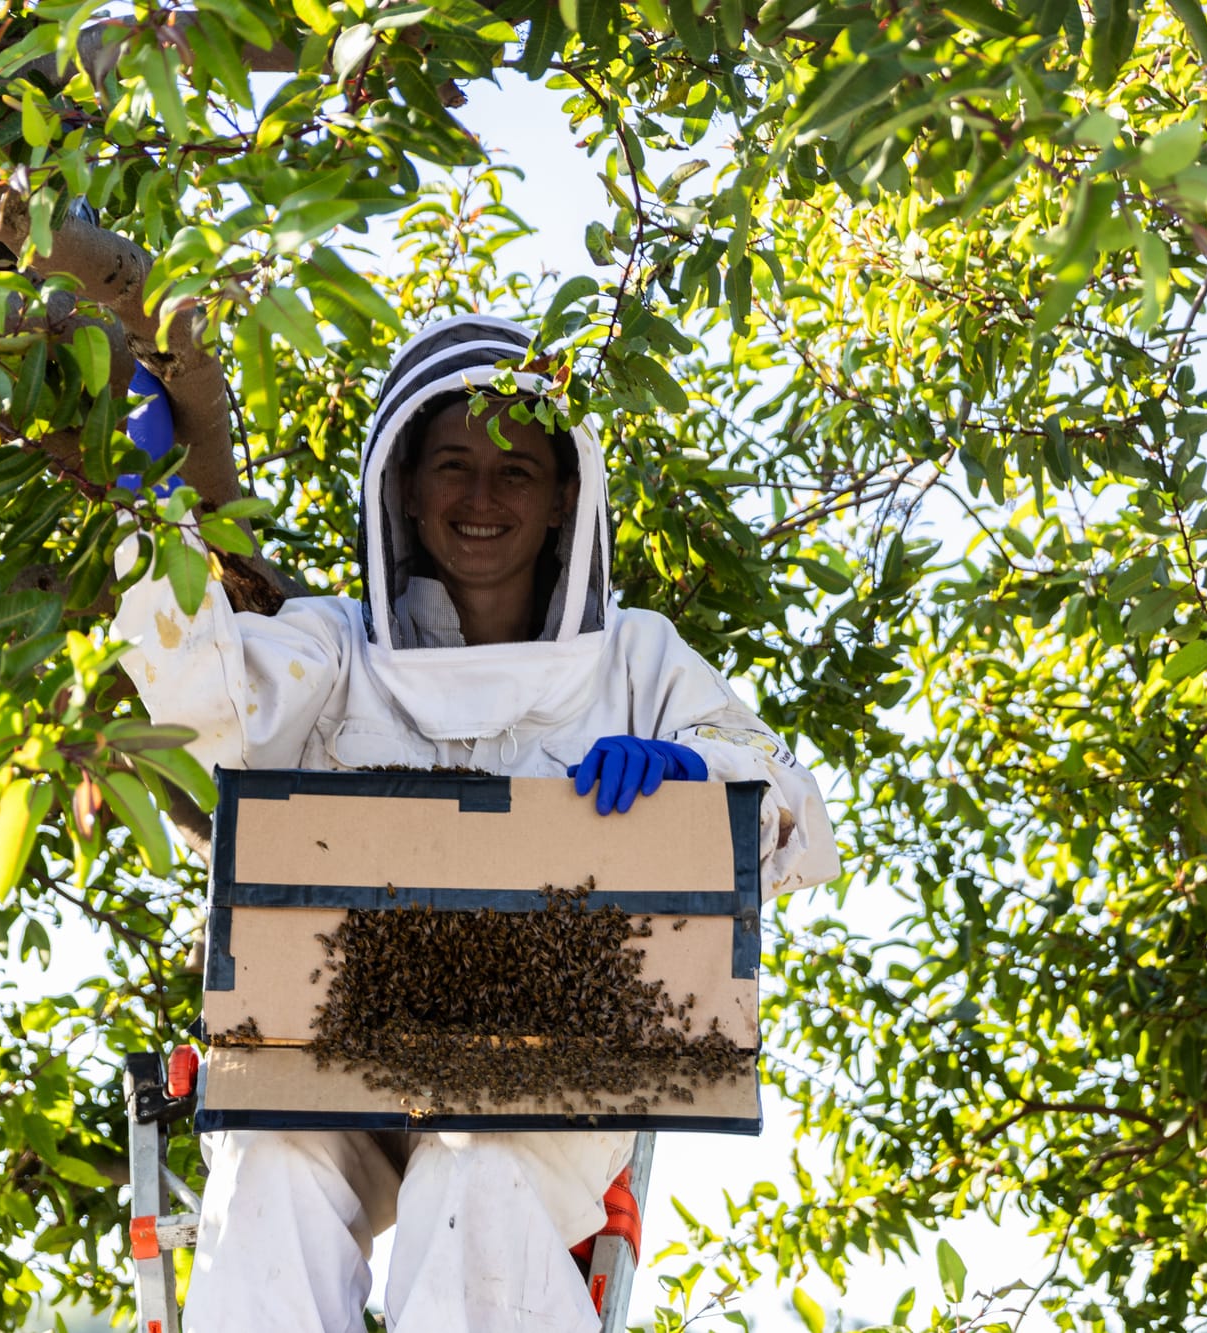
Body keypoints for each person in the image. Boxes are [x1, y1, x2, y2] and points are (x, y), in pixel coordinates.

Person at [111, 313, 839, 1333]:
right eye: (452, 465)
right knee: (268, 1160)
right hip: (330, 1061)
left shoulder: (636, 659)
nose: (481, 498)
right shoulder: (334, 643)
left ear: (560, 502)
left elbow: (792, 811)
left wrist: (694, 774)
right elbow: (208, 720)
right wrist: (152, 528)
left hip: (545, 1081)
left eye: (515, 472)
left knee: (477, 1172)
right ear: (405, 487)